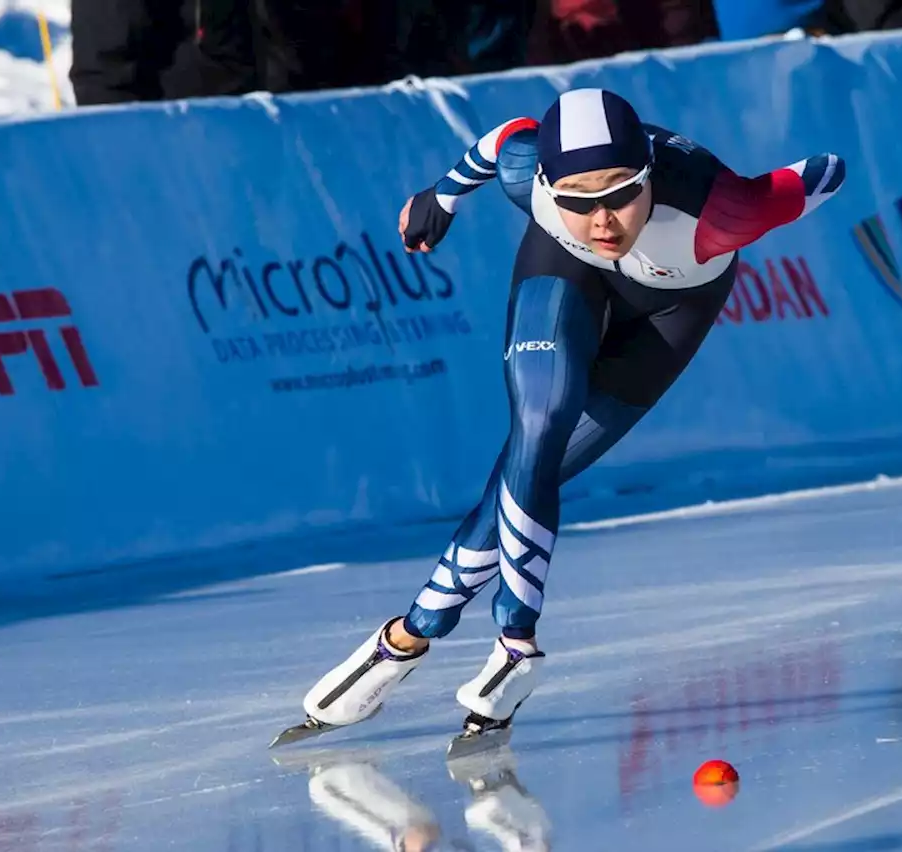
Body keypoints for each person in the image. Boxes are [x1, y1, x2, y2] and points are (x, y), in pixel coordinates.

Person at [292, 88, 846, 742]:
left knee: (531, 468)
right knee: (540, 421)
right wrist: (440, 195)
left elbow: (828, 169)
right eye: (579, 200)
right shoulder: (529, 175)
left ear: (650, 175)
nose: (603, 219)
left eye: (620, 193)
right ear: (550, 186)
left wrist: (793, 187)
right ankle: (514, 643)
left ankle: (408, 636)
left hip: (674, 308)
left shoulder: (723, 209)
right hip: (565, 273)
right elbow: (506, 138)